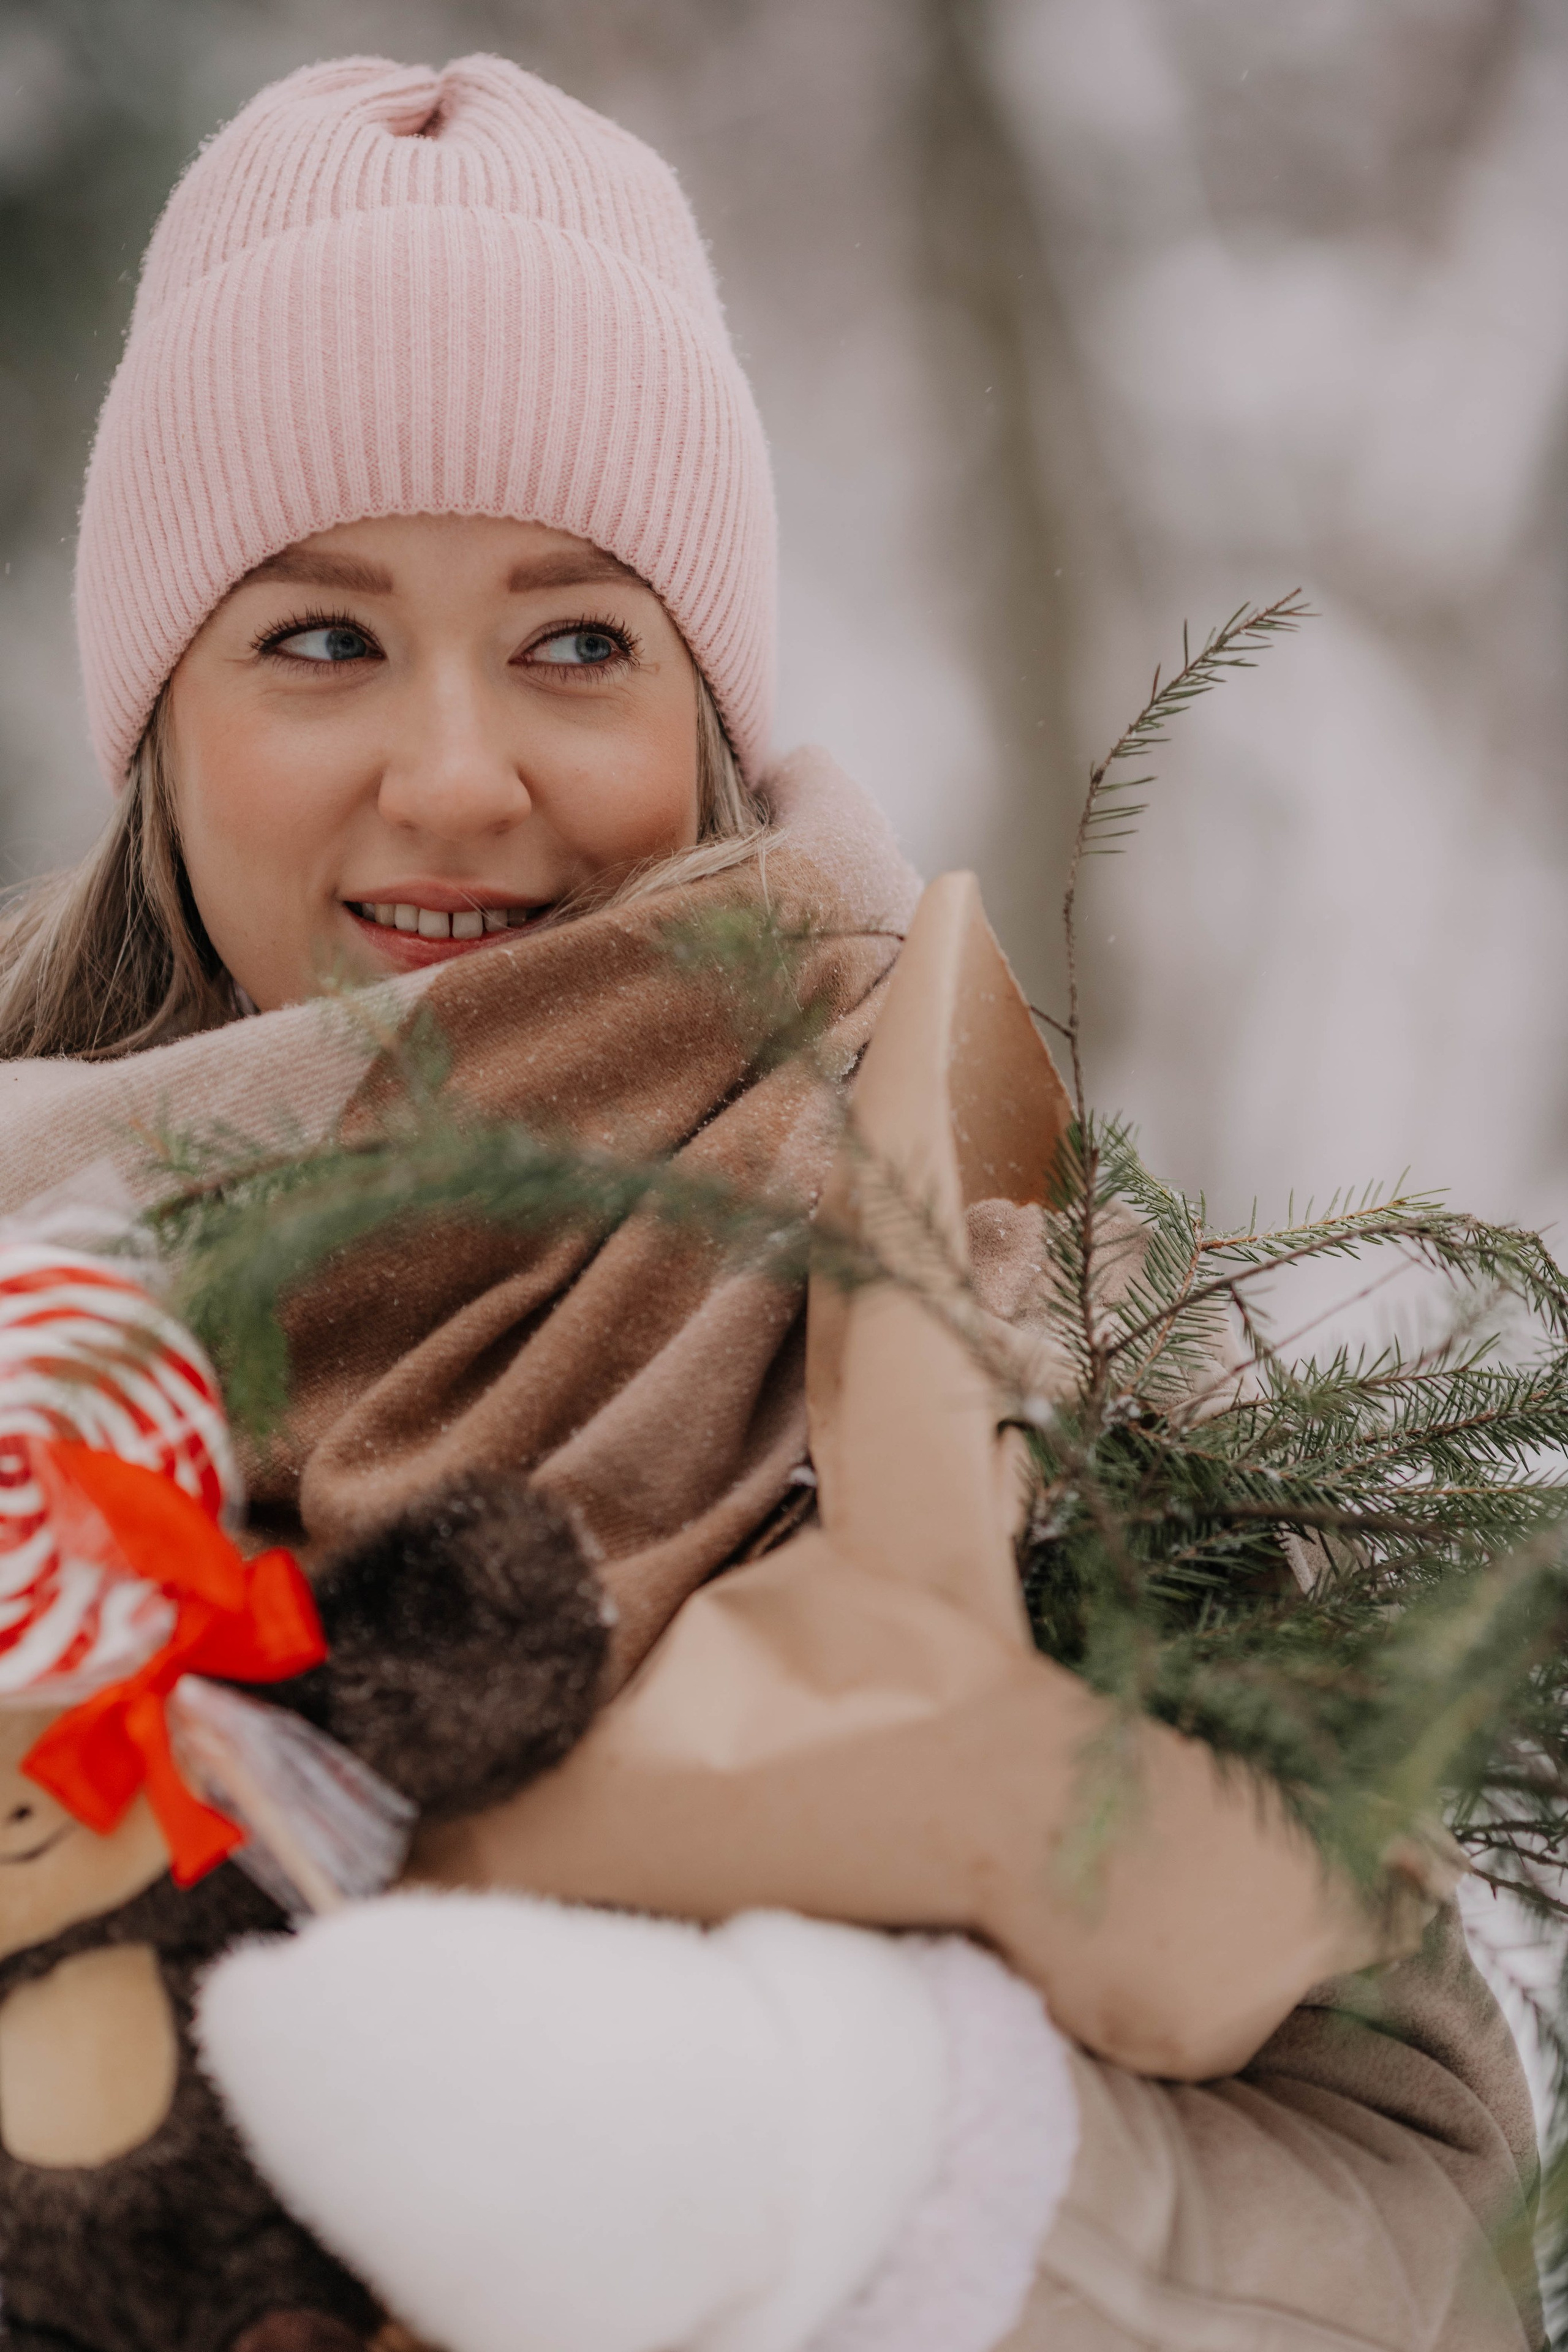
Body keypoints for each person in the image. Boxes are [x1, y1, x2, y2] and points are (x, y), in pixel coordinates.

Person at [0, 53, 1542, 2352]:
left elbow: (1426, 2220)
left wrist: (831, 2163)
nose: (459, 771)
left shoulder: (991, 1258)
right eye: (319, 640)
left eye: (578, 641)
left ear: (707, 705)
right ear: (159, 722)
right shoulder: (45, 1301)